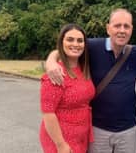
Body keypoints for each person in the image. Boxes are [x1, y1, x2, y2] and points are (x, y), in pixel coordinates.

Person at [45, 9, 136, 153]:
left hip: (127, 131)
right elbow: (66, 49)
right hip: (97, 130)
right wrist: (51, 61)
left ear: (131, 30)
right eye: (117, 26)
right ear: (108, 28)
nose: (122, 30)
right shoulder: (92, 47)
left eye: (126, 26)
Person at [39, 24, 95, 153]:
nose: (75, 44)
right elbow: (48, 113)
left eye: (80, 41)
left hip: (81, 136)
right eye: (70, 39)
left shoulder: (83, 69)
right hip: (61, 140)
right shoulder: (55, 74)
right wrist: (61, 145)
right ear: (61, 42)